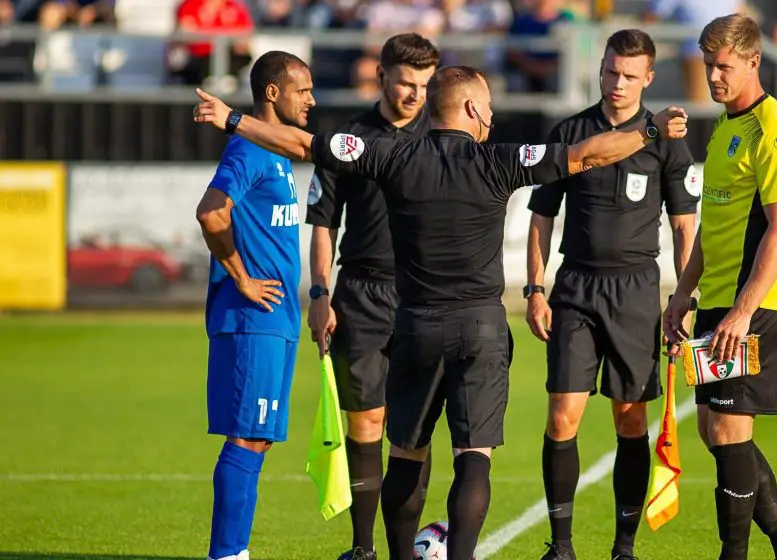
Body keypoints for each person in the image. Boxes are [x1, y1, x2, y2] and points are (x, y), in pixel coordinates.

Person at [192, 64, 689, 560]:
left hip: (413, 328)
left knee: (406, 454)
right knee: (473, 458)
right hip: (480, 329)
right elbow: (586, 155)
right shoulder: (500, 161)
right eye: (489, 105)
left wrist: (234, 120)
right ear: (472, 109)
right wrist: (647, 130)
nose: (492, 114)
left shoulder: (393, 155)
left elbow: (303, 145)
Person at [524, 28, 700, 560]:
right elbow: (540, 219)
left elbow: (685, 228)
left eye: (629, 75)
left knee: (629, 417)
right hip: (575, 287)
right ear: (599, 70)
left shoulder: (668, 140)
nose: (617, 83)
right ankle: (561, 546)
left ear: (648, 77)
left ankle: (624, 546)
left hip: (637, 291)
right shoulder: (571, 133)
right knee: (562, 416)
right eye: (610, 71)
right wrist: (535, 289)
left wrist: (682, 298)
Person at [662, 14, 777, 560]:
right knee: (714, 429)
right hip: (718, 303)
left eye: (724, 65)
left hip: (757, 305)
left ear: (754, 61)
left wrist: (744, 310)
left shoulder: (774, 129)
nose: (713, 76)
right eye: (708, 65)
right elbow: (713, 222)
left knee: (728, 430)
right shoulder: (727, 127)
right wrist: (684, 292)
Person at [304, 33, 440, 560]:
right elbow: (323, 222)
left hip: (423, 297)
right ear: (381, 75)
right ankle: (363, 550)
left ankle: (404, 551)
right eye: (406, 82)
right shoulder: (349, 138)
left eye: (424, 85)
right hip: (359, 293)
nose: (414, 94)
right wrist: (319, 292)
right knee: (366, 421)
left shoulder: (443, 134)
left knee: (414, 429)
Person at [194, 50, 315, 560]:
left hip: (277, 319)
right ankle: (228, 554)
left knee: (258, 438)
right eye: (302, 90)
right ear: (272, 92)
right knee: (247, 436)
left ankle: (232, 551)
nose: (311, 100)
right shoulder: (247, 152)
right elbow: (210, 212)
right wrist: (241, 277)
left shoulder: (277, 153)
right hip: (252, 319)